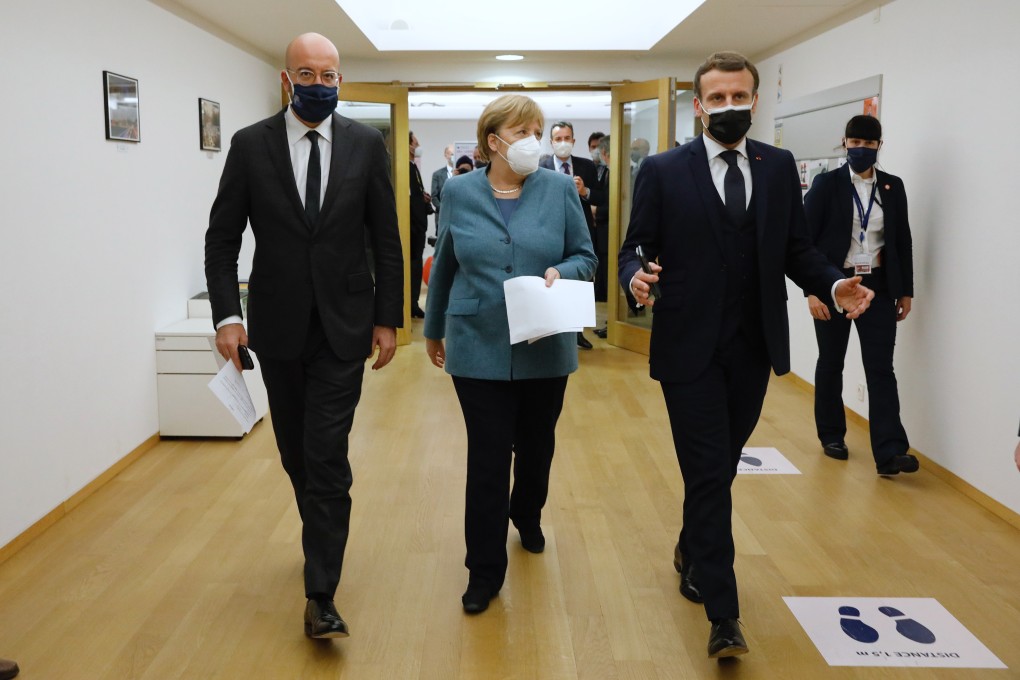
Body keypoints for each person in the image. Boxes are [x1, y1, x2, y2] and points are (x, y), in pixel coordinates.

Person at [619, 51, 874, 659]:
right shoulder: (662, 170)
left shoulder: (779, 166)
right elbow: (636, 247)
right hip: (688, 349)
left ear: (754, 101)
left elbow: (796, 248)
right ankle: (724, 613)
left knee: (721, 465)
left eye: (741, 97)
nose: (730, 107)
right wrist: (636, 276)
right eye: (718, 98)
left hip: (754, 347)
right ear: (700, 105)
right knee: (709, 470)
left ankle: (690, 544)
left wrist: (832, 283)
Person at [205, 32, 403, 640]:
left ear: (340, 79)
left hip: (344, 327)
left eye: (330, 75)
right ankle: (317, 529)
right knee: (295, 454)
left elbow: (386, 239)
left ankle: (322, 593)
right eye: (308, 75)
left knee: (326, 453)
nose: (321, 84)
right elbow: (222, 239)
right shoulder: (250, 144)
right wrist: (227, 317)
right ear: (289, 79)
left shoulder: (367, 145)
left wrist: (389, 318)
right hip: (278, 324)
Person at [424, 94, 596, 615]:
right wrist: (433, 329)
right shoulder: (458, 190)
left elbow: (585, 256)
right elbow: (447, 263)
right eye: (522, 131)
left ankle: (528, 511)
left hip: (545, 342)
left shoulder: (559, 188)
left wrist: (560, 273)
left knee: (537, 445)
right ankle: (483, 569)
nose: (534, 141)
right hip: (477, 342)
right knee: (489, 456)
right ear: (492, 140)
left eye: (538, 130)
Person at [804, 115, 918, 475]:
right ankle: (832, 435)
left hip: (880, 287)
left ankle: (890, 452)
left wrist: (906, 291)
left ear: (879, 147)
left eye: (869, 145)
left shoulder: (892, 187)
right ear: (844, 142)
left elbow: (903, 241)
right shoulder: (826, 185)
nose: (861, 149)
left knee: (880, 368)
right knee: (831, 361)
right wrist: (813, 291)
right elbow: (804, 244)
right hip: (835, 285)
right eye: (855, 142)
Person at [541, 121, 599, 350]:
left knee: (580, 281)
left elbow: (602, 198)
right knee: (552, 279)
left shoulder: (586, 166)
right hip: (550, 231)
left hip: (580, 230)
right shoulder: (540, 166)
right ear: (551, 142)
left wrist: (585, 192)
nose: (563, 143)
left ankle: (577, 332)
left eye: (567, 138)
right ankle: (551, 330)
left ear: (573, 141)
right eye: (558, 139)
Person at [409, 131, 434, 318]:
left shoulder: (412, 167)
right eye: (415, 143)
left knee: (416, 266)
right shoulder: (404, 168)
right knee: (412, 266)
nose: (418, 146)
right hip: (412, 227)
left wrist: (422, 197)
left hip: (418, 227)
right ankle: (410, 304)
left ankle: (414, 303)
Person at [431, 143, 455, 216]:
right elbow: (434, 196)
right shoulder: (437, 175)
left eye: (455, 154)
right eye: (451, 154)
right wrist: (444, 209)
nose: (453, 156)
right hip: (442, 215)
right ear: (446, 155)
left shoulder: (463, 174)